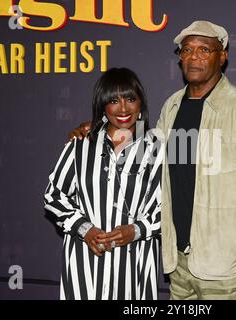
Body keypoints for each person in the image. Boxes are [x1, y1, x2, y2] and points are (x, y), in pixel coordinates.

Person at [69, 21, 236, 300]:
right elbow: (147, 145)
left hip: (224, 265)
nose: (194, 57)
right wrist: (95, 128)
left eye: (205, 49)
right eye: (187, 50)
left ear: (223, 56)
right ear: (180, 58)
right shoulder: (173, 105)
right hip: (179, 265)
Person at [44, 67, 162, 300]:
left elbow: (168, 207)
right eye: (113, 100)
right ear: (102, 105)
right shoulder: (81, 144)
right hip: (84, 269)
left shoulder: (157, 147)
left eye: (130, 98)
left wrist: (136, 230)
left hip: (134, 270)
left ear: (141, 103)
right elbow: (54, 196)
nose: (123, 108)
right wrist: (85, 230)